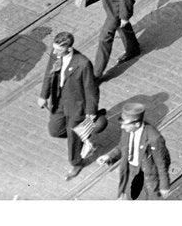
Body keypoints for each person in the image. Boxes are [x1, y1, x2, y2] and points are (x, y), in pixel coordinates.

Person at [37, 31, 102, 179]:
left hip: (76, 105)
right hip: (59, 101)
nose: (55, 52)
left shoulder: (83, 63)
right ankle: (82, 136)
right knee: (54, 130)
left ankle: (76, 162)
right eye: (54, 48)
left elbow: (91, 89)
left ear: (68, 48)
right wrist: (43, 95)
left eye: (59, 49)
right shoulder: (55, 55)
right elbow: (49, 74)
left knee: (73, 135)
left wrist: (91, 110)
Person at [108, 101, 171, 198]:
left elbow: (161, 163)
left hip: (148, 175)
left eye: (125, 124)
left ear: (137, 124)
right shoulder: (127, 130)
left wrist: (164, 186)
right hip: (131, 171)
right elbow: (122, 146)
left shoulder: (154, 138)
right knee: (129, 196)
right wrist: (109, 156)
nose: (122, 126)